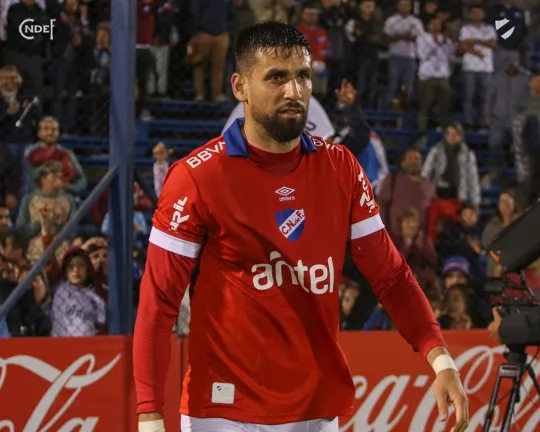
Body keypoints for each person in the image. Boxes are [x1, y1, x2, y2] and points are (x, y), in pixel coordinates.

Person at [133, 22, 469, 432]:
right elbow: (158, 303)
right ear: (240, 87)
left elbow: (392, 277)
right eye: (276, 77)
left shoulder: (341, 167)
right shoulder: (195, 178)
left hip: (316, 409)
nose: (293, 91)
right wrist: (149, 415)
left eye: (303, 76)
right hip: (222, 412)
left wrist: (440, 358)